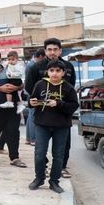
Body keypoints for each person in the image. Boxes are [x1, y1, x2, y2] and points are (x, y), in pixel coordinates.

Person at [25, 38, 75, 178]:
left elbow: (71, 87)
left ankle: (62, 167)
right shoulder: (37, 67)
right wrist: (38, 99)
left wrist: (62, 103)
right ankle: (43, 168)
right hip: (43, 113)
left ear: (60, 50)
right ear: (45, 51)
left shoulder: (68, 66)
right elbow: (29, 87)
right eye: (49, 49)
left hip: (63, 113)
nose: (52, 52)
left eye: (55, 49)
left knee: (63, 144)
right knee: (41, 146)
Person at [28, 60, 79, 194]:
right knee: (39, 154)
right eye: (52, 71)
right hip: (42, 125)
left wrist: (58, 104)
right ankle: (39, 178)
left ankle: (54, 182)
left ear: (63, 73)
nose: (54, 73)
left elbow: (74, 106)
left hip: (61, 126)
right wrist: (31, 102)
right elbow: (32, 100)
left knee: (58, 156)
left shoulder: (68, 88)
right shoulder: (40, 84)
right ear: (48, 72)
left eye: (58, 71)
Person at [24, 48, 46, 145]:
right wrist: (34, 95)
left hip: (32, 93)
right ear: (41, 56)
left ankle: (29, 138)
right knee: (33, 116)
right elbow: (29, 83)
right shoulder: (33, 66)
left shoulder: (30, 64)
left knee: (30, 116)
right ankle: (33, 139)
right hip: (33, 94)